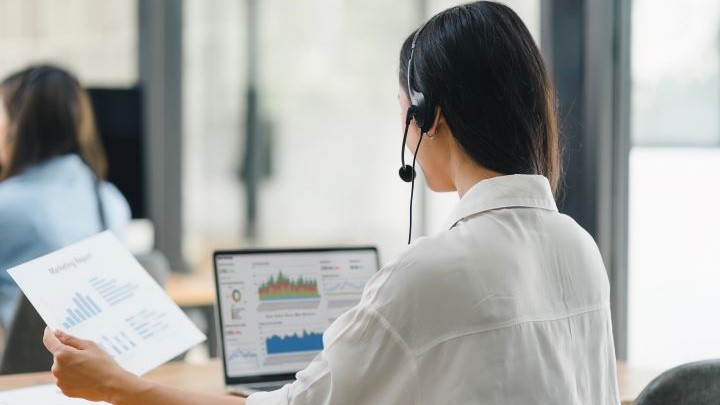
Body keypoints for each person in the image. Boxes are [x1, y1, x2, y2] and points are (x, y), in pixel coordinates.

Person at [42, 2, 620, 404]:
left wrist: (114, 384)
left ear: (429, 116)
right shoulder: (580, 248)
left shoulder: (429, 274)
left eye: (403, 110)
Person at [0, 65, 131, 328]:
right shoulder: (112, 201)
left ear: (16, 127)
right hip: (88, 363)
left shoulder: (8, 205)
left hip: (17, 367)